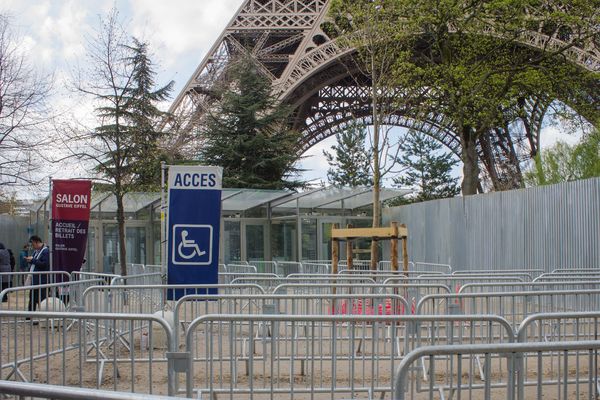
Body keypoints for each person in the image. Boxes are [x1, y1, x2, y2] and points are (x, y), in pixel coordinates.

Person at [24, 235, 49, 312]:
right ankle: (30, 315)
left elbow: (44, 264)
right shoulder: (36, 251)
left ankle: (43, 315)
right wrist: (30, 260)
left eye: (33, 244)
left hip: (41, 280)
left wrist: (32, 260)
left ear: (36, 242)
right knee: (32, 298)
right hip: (35, 280)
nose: (32, 246)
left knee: (41, 299)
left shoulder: (45, 251)